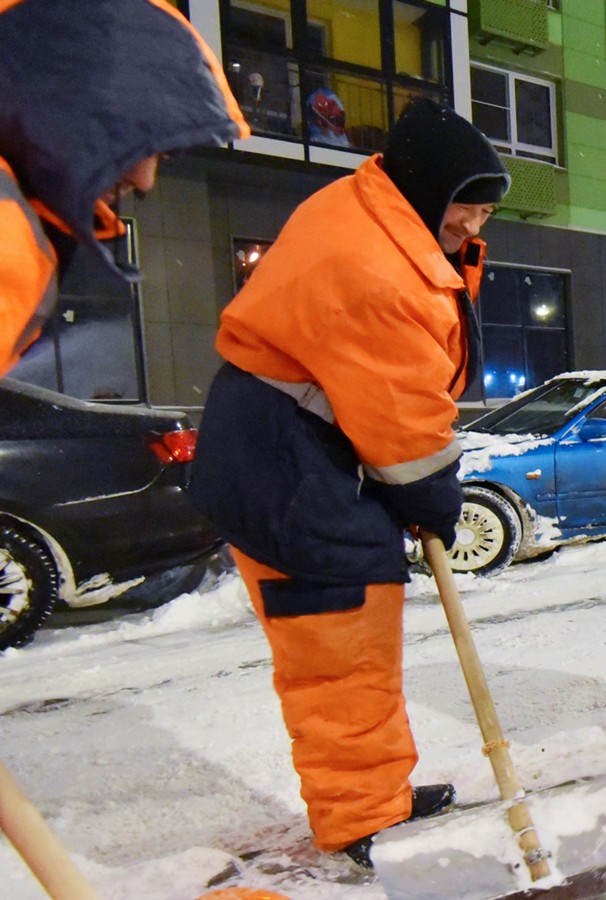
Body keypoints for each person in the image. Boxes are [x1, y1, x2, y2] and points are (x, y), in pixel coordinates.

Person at [187, 98, 509, 868]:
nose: (473, 226)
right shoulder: (377, 269)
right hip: (289, 472)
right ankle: (357, 819)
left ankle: (377, 796)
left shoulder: (372, 214)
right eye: (465, 208)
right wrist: (434, 502)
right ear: (426, 189)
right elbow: (402, 421)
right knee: (338, 649)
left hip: (292, 451)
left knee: (361, 638)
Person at [0, 0, 249, 375]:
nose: (145, 181)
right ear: (66, 98)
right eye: (128, 137)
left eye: (162, 157)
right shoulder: (8, 233)